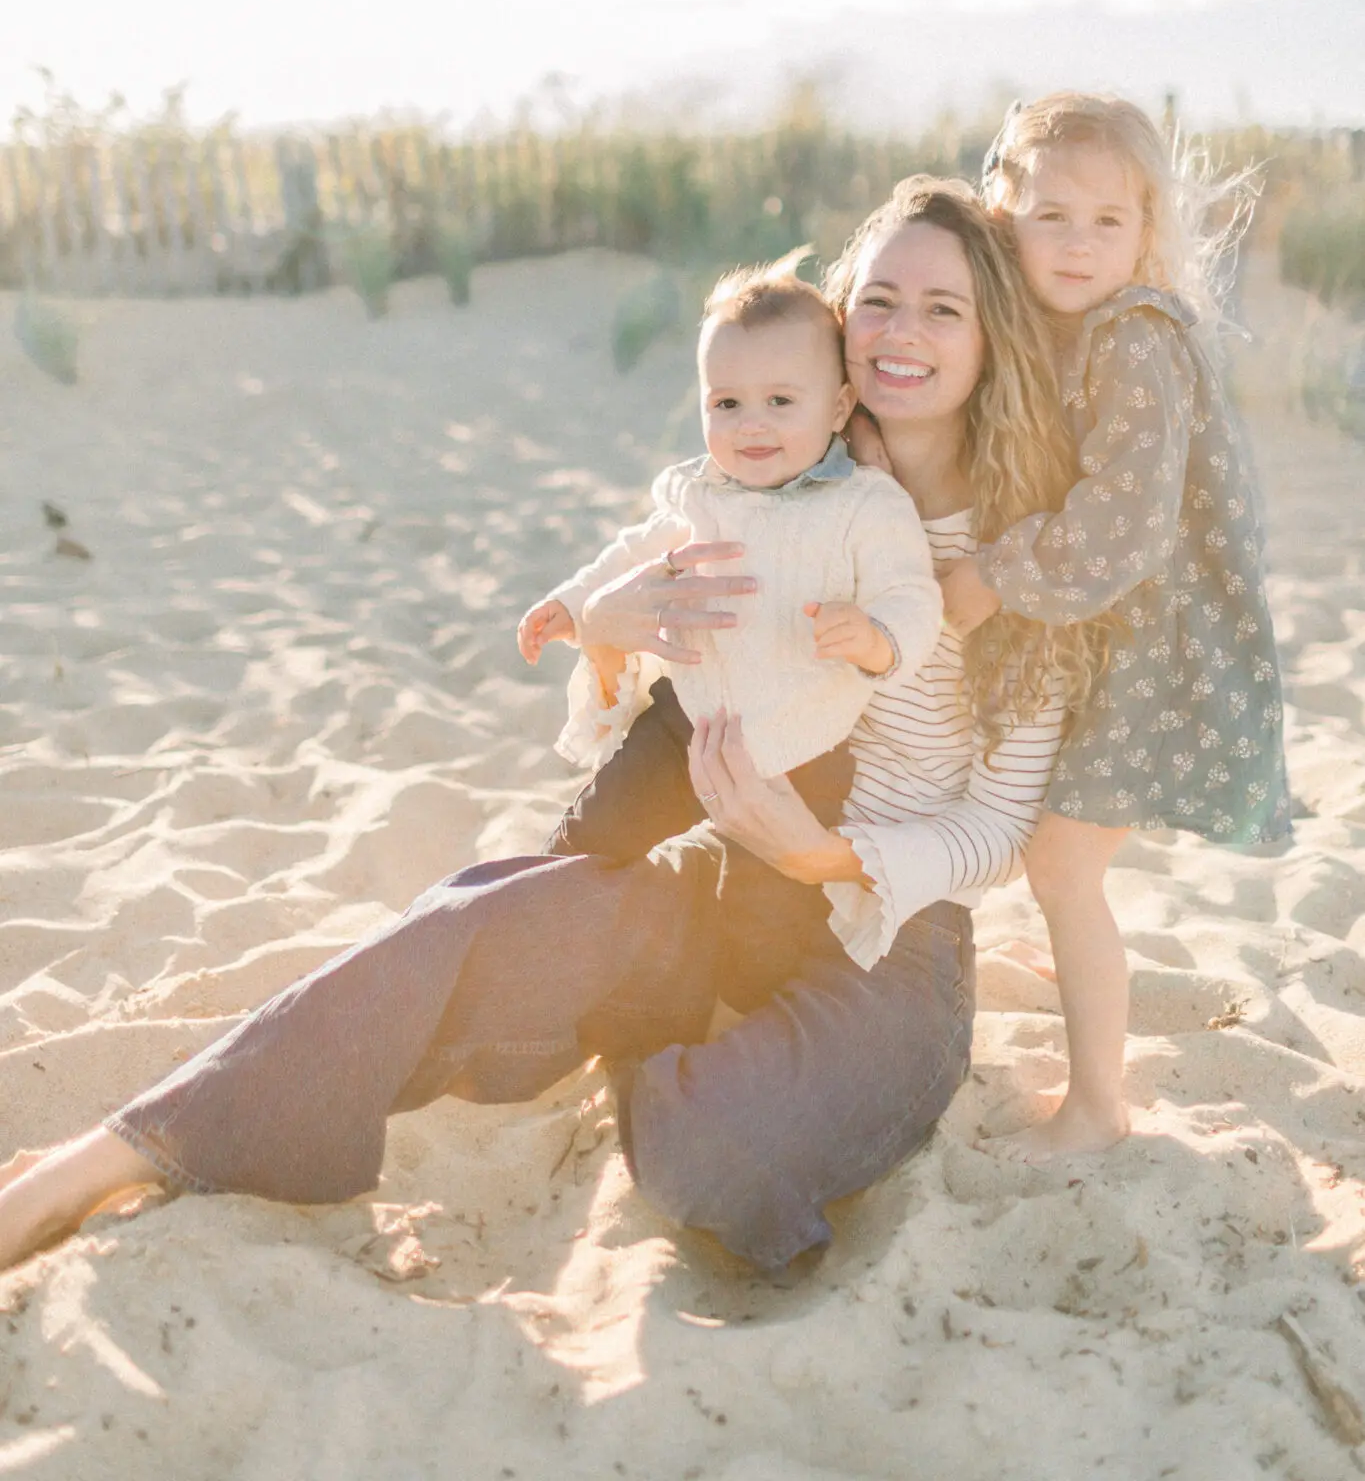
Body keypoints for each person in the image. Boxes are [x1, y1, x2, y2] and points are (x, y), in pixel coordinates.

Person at [0, 179, 1096, 1280]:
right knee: (471, 915)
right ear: (841, 328)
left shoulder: (1032, 550)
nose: (904, 331)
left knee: (710, 1152)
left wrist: (822, 856)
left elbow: (998, 827)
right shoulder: (762, 476)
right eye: (881, 301)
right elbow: (676, 693)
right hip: (722, 883)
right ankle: (123, 1150)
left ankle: (656, 1038)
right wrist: (608, 631)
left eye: (944, 309)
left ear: (991, 333)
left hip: (885, 941)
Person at [936, 93, 1290, 1163]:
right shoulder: (1049, 330)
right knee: (1046, 846)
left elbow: (1123, 524)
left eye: (1107, 221)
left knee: (1061, 864)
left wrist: (993, 575)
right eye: (1050, 216)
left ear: (1145, 233)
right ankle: (1073, 962)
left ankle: (1097, 1106)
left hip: (1157, 655)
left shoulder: (1133, 337)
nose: (1077, 244)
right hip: (1101, 639)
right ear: (1004, 216)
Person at [521, 250, 943, 875]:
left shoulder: (864, 505)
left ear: (837, 408)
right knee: (586, 844)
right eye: (726, 405)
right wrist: (574, 602)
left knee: (771, 899)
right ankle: (535, 900)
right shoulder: (703, 493)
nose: (751, 426)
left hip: (806, 746)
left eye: (780, 401)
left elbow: (912, 595)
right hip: (684, 723)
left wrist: (877, 638)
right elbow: (635, 553)